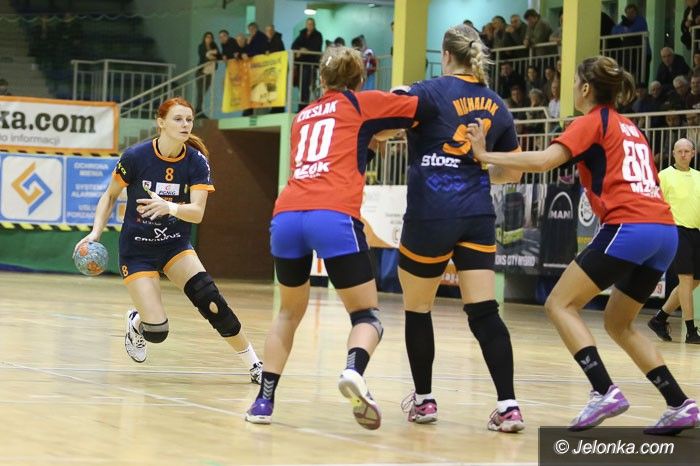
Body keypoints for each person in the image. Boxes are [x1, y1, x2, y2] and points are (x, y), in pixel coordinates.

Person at [467, 56, 699, 435]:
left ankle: (603, 390)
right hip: (664, 231)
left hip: (630, 225)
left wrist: (483, 155)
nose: (571, 88)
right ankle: (679, 403)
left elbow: (544, 161)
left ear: (586, 88)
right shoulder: (630, 126)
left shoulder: (591, 121)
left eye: (574, 82)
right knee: (619, 323)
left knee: (559, 303)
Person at [245, 46, 432, 429]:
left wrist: (373, 136)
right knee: (367, 316)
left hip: (286, 214)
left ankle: (263, 403)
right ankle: (353, 371)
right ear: (360, 78)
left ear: (321, 79)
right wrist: (399, 98)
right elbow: (417, 108)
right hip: (332, 215)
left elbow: (338, 150)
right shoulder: (362, 103)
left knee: (288, 313)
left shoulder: (302, 117)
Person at [74, 97, 263, 384]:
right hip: (137, 251)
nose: (185, 124)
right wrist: (95, 232)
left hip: (175, 246)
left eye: (189, 120)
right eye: (178, 119)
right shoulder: (136, 157)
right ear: (161, 122)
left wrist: (169, 207)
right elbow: (110, 196)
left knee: (210, 300)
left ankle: (255, 364)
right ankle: (137, 321)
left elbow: (197, 213)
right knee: (157, 331)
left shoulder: (196, 162)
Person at [396, 24, 524, 433]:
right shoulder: (496, 103)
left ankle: (424, 401)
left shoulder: (427, 91)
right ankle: (509, 406)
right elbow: (512, 172)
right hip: (476, 213)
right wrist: (480, 167)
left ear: (446, 56)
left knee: (419, 308)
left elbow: (385, 121)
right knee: (484, 312)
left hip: (431, 211)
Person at [647, 139, 700, 343]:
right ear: (674, 153)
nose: (683, 154)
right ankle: (691, 331)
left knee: (694, 281)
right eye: (680, 151)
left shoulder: (698, 177)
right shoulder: (664, 176)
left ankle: (659, 319)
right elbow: (655, 205)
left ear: (693, 153)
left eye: (687, 151)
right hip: (676, 231)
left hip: (696, 232)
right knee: (685, 279)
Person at [291, 18, 323, 112]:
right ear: (306, 25)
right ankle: (302, 106)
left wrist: (306, 50)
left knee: (306, 85)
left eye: (311, 24)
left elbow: (316, 48)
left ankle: (304, 107)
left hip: (310, 64)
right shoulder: (302, 34)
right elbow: (294, 46)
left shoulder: (318, 35)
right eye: (308, 24)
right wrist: (300, 50)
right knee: (301, 86)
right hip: (301, 64)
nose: (310, 26)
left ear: (314, 25)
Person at [196, 32, 219, 116]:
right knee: (200, 91)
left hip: (210, 72)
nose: (209, 39)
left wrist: (213, 58)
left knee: (204, 91)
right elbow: (203, 56)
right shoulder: (201, 46)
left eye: (210, 37)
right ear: (204, 38)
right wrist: (210, 57)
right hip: (201, 72)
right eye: (207, 37)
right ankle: (198, 110)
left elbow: (218, 56)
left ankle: (199, 109)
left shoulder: (214, 46)